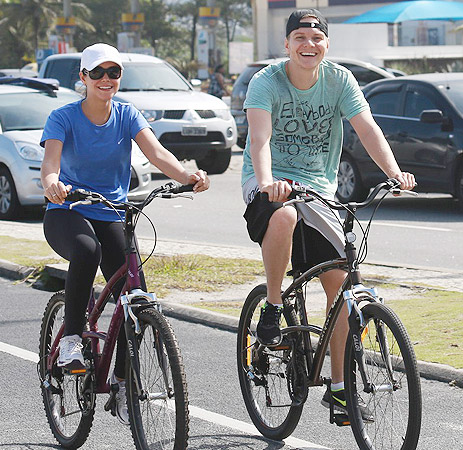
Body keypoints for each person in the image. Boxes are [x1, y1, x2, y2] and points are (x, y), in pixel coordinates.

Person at [241, 9, 415, 419]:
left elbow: (367, 126)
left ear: (326, 45)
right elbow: (259, 139)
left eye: (316, 39)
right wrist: (267, 181)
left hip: (319, 190)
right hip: (271, 184)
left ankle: (339, 390)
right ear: (286, 44)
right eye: (299, 37)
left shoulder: (339, 80)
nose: (308, 45)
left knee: (341, 289)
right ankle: (272, 305)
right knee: (282, 216)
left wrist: (393, 173)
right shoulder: (266, 81)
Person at [40, 43, 209, 425]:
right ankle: (71, 340)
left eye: (113, 72)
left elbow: (158, 154)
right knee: (87, 252)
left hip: (113, 211)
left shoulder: (127, 115)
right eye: (96, 72)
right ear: (82, 78)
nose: (105, 80)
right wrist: (53, 184)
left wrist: (188, 177)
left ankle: (119, 384)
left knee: (136, 300)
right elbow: (50, 164)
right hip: (67, 210)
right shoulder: (63, 117)